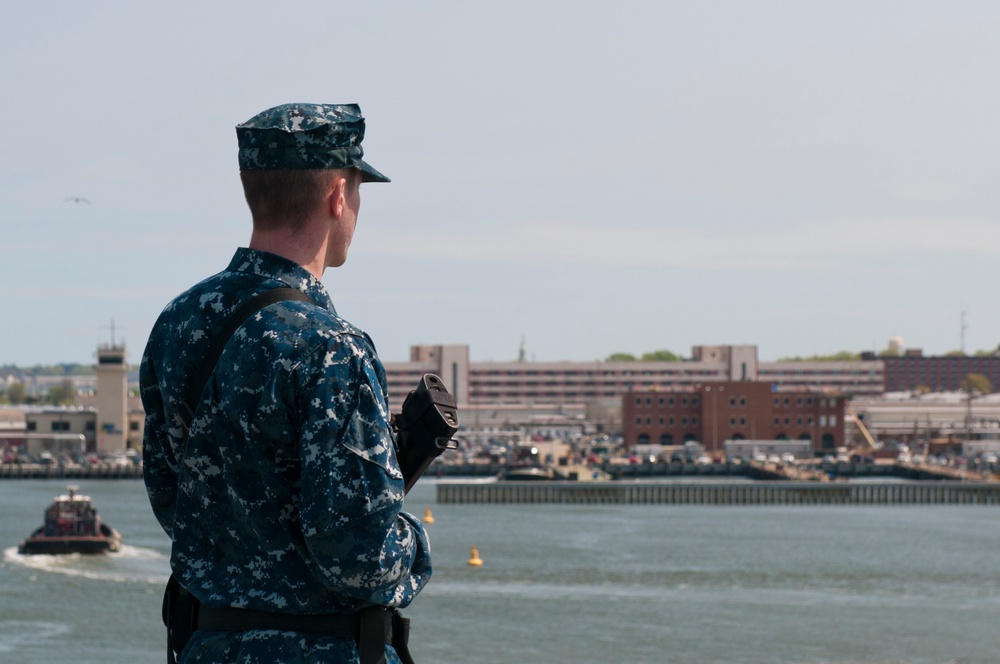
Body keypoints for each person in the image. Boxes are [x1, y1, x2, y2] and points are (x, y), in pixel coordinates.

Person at [140, 103, 431, 664]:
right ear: (338, 195)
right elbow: (356, 555)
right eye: (359, 192)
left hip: (206, 648)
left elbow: (169, 497)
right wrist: (415, 543)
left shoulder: (178, 322)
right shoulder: (331, 345)